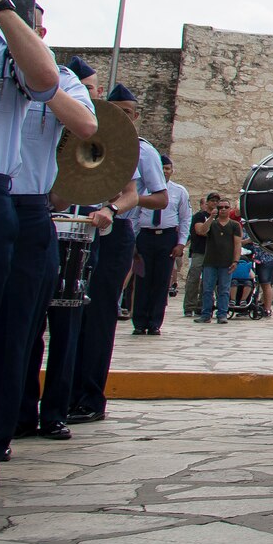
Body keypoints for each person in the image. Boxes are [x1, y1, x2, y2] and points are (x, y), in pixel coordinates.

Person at [0, 0, 94, 493]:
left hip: (16, 204)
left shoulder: (50, 73)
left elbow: (86, 126)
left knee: (10, 331)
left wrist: (26, 56)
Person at [69, 84, 166, 423]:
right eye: (116, 112)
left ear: (136, 115)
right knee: (69, 315)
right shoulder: (86, 141)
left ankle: (90, 397)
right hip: (79, 227)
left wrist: (126, 200)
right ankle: (66, 392)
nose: (122, 118)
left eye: (127, 113)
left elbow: (161, 198)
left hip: (115, 230)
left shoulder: (141, 151)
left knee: (99, 314)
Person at [131, 156, 190, 335]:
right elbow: (134, 216)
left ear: (172, 171)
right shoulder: (143, 190)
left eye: (167, 168)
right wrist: (133, 241)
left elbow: (185, 217)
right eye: (161, 168)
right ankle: (140, 322)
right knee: (142, 280)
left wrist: (181, 243)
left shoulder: (179, 192)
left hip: (167, 237)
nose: (164, 171)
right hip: (146, 236)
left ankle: (155, 322)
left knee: (161, 281)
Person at [195, 205, 241, 323]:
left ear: (230, 209)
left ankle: (222, 314)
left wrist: (235, 260)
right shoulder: (212, 223)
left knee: (224, 290)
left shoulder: (235, 225)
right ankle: (206, 314)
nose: (223, 209)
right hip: (210, 261)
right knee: (207, 289)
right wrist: (211, 217)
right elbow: (202, 231)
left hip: (226, 262)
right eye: (221, 207)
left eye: (226, 207)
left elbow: (237, 244)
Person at [183, 190, 221, 319]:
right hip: (200, 250)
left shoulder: (220, 217)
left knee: (209, 281)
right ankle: (189, 306)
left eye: (217, 201)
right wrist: (211, 219)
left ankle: (203, 306)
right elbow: (201, 231)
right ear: (208, 202)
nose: (214, 203)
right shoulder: (199, 216)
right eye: (212, 201)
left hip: (213, 251)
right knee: (194, 278)